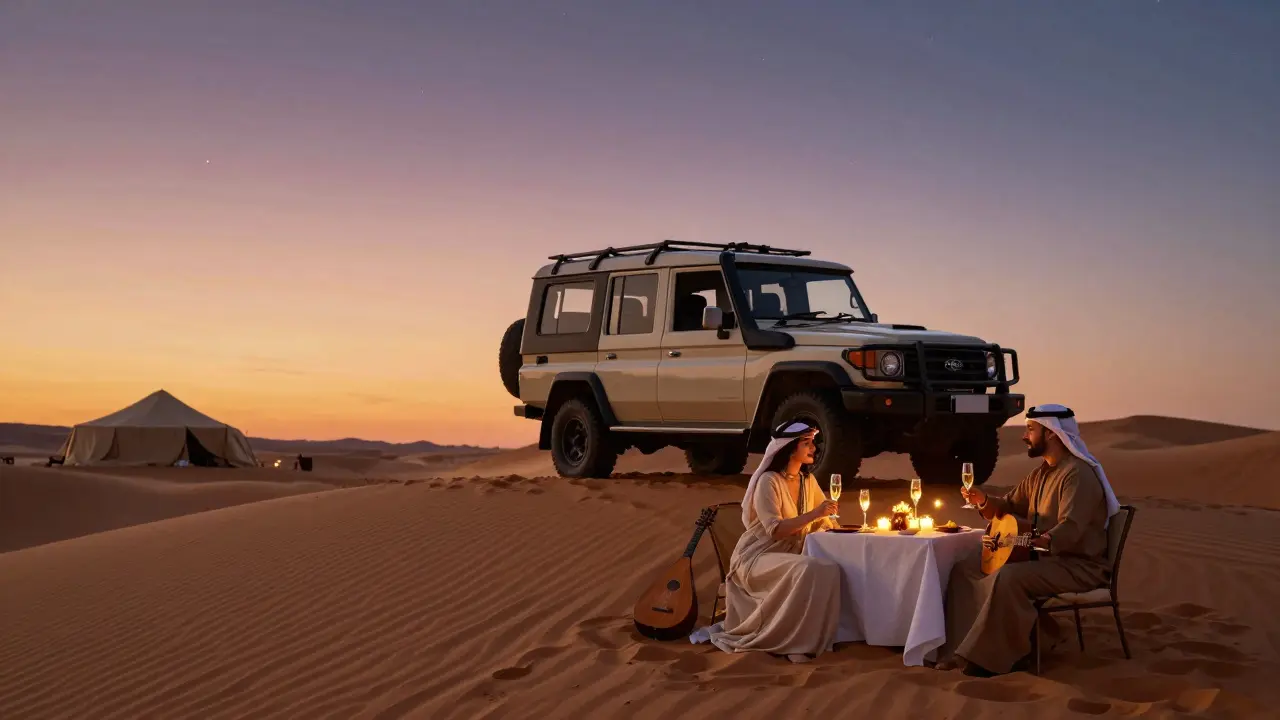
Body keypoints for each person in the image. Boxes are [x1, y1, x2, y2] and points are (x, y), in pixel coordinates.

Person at [937, 403, 1120, 676]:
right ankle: (959, 649)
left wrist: (1026, 544)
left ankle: (988, 659)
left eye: (1030, 430)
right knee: (966, 568)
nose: (1025, 436)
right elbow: (1010, 505)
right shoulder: (1041, 473)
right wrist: (983, 500)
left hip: (1077, 565)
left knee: (1009, 577)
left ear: (1052, 434)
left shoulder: (1077, 474)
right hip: (1043, 559)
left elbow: (1070, 531)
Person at [702, 420, 844, 663]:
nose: (814, 449)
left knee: (830, 569)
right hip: (756, 558)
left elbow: (825, 520)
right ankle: (791, 643)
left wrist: (837, 529)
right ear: (788, 448)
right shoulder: (769, 481)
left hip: (790, 555)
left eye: (812, 444)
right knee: (808, 568)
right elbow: (775, 531)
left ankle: (815, 639)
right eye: (807, 444)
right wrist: (815, 514)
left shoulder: (806, 481)